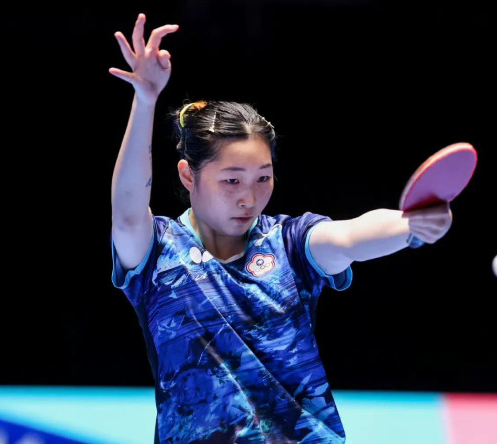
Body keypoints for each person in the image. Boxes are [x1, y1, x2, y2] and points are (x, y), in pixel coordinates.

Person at [109, 13, 453, 444]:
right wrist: (145, 101)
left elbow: (350, 237)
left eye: (263, 178)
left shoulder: (289, 243)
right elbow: (126, 213)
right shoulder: (158, 251)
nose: (249, 198)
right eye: (231, 180)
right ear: (187, 175)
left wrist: (410, 225)